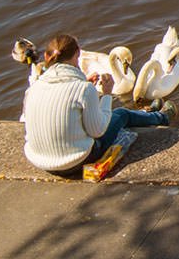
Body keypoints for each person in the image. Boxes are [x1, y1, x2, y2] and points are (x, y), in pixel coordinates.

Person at [21, 33, 169, 175]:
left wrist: (84, 83)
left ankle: (147, 113)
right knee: (121, 114)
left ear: (46, 56)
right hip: (74, 162)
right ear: (78, 54)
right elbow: (98, 131)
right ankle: (161, 117)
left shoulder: (33, 87)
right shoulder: (84, 89)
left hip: (39, 160)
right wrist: (106, 93)